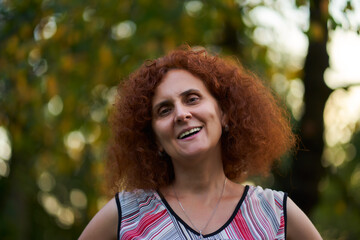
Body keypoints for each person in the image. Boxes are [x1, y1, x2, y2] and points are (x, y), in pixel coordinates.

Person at [79, 46, 322, 240]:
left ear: (225, 114)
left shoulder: (274, 212)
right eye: (164, 110)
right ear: (154, 140)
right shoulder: (127, 214)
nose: (181, 114)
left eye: (192, 99)